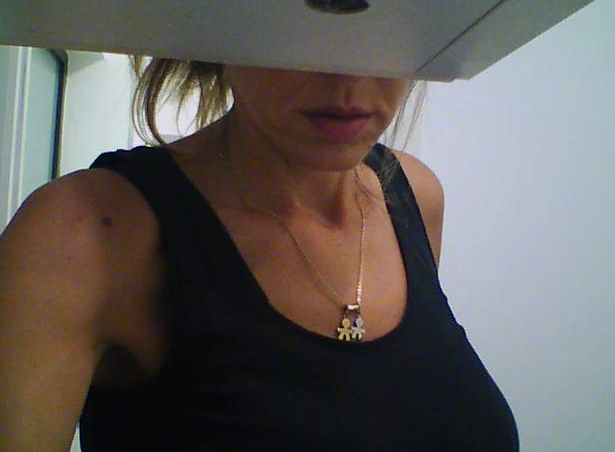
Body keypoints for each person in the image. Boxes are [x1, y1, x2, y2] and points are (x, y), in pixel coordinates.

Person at [0, 63, 519, 451]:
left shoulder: (414, 195)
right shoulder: (88, 231)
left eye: (382, 28)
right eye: (304, 21)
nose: (350, 82)